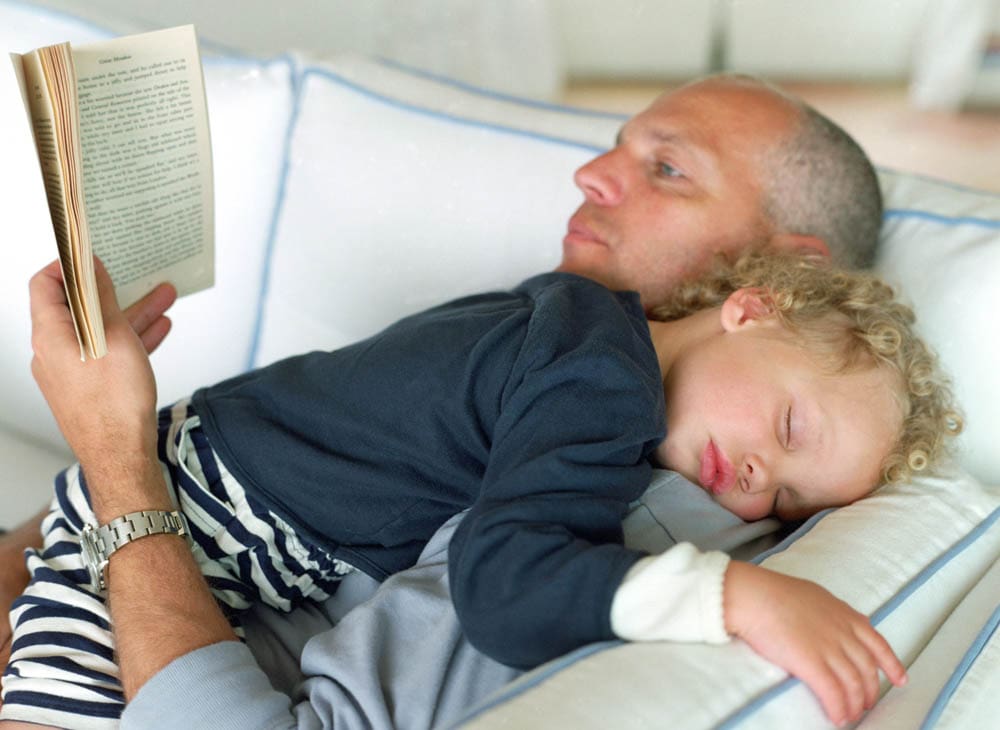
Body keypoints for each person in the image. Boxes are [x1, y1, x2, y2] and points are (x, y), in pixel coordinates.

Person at [0, 73, 889, 726]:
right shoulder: (564, 326)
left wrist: (113, 452)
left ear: (780, 280)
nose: (590, 175)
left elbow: (511, 576)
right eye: (620, 146)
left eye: (668, 171)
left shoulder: (654, 462)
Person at [2, 246, 961, 730]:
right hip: (194, 521)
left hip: (192, 490)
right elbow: (506, 584)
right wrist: (732, 590)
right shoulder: (604, 390)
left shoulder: (568, 315)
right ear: (751, 309)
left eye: (789, 505)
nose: (756, 484)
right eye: (790, 429)